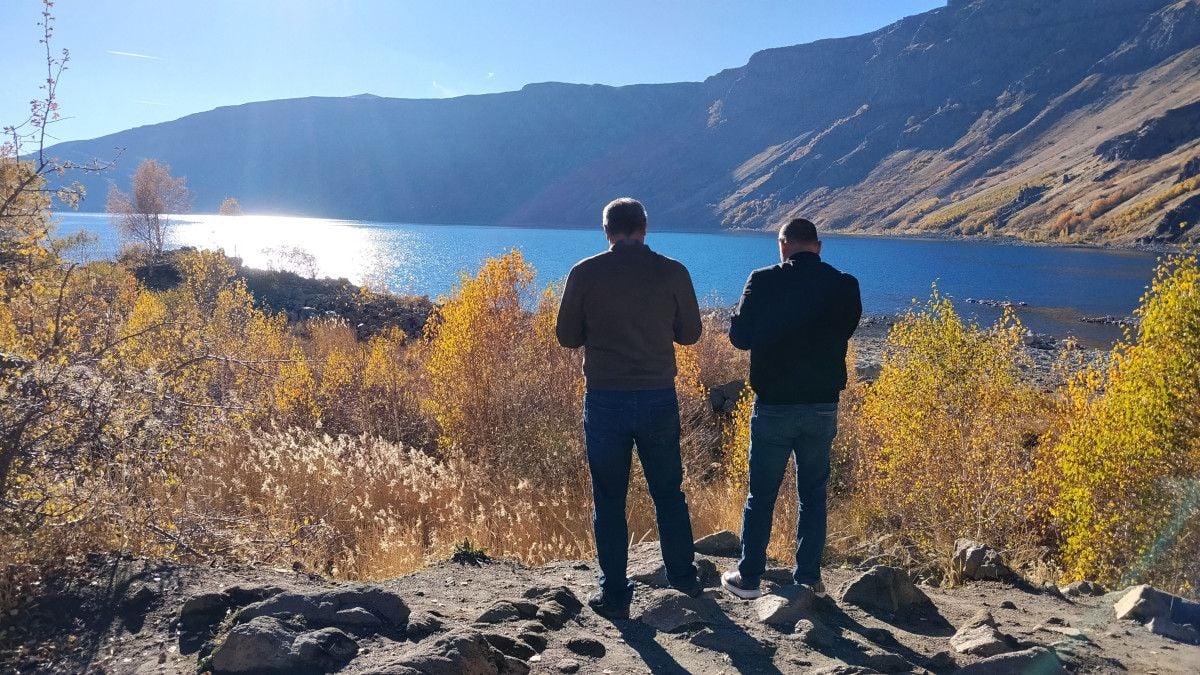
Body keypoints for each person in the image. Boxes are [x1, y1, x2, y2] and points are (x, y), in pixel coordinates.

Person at [556, 197, 704, 619]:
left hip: (605, 399)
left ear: (607, 231)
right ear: (645, 227)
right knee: (668, 492)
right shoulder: (673, 271)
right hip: (658, 395)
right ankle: (683, 578)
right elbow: (690, 333)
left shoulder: (584, 273)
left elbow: (567, 336)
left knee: (609, 499)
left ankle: (616, 594)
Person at [721, 217, 861, 600]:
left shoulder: (763, 280)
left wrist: (742, 317)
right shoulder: (845, 285)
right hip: (821, 405)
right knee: (812, 494)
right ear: (818, 246)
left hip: (775, 405)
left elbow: (740, 338)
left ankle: (749, 578)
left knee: (761, 494)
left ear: (783, 245)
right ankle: (808, 579)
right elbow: (844, 331)